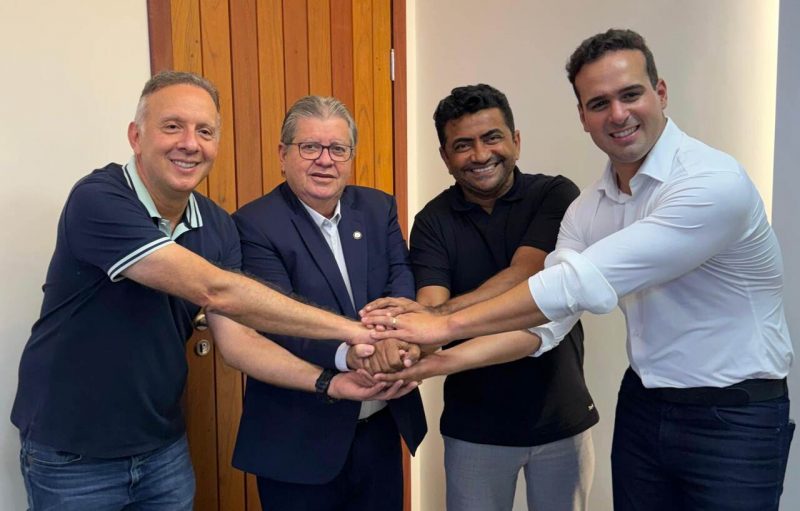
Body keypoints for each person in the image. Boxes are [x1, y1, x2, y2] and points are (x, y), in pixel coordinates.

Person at [363, 29, 795, 510]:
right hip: (644, 403)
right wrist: (436, 362)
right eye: (599, 103)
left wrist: (441, 326)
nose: (618, 114)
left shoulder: (712, 183)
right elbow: (548, 322)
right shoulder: (590, 208)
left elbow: (572, 284)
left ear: (660, 92)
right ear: (583, 116)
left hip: (733, 414)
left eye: (630, 94)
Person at [11, 71, 416, 511]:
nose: (190, 143)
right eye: (173, 126)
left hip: (162, 447)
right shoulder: (99, 199)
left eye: (204, 131)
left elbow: (238, 342)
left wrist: (330, 383)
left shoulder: (217, 225)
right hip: (73, 452)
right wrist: (355, 333)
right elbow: (215, 290)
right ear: (136, 136)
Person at [400, 83, 596, 511]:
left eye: (492, 138)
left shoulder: (555, 195)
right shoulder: (432, 220)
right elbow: (429, 309)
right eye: (462, 145)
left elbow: (527, 275)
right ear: (445, 156)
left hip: (561, 417)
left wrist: (442, 317)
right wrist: (404, 346)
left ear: (516, 141)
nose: (480, 154)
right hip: (475, 428)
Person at [231, 95, 427, 511]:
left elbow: (400, 278)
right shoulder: (254, 224)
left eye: (338, 148)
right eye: (310, 147)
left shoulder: (377, 207)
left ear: (350, 157)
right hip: (298, 438)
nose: (325, 160)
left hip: (380, 423)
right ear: (283, 155)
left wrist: (397, 341)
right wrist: (352, 353)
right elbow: (278, 317)